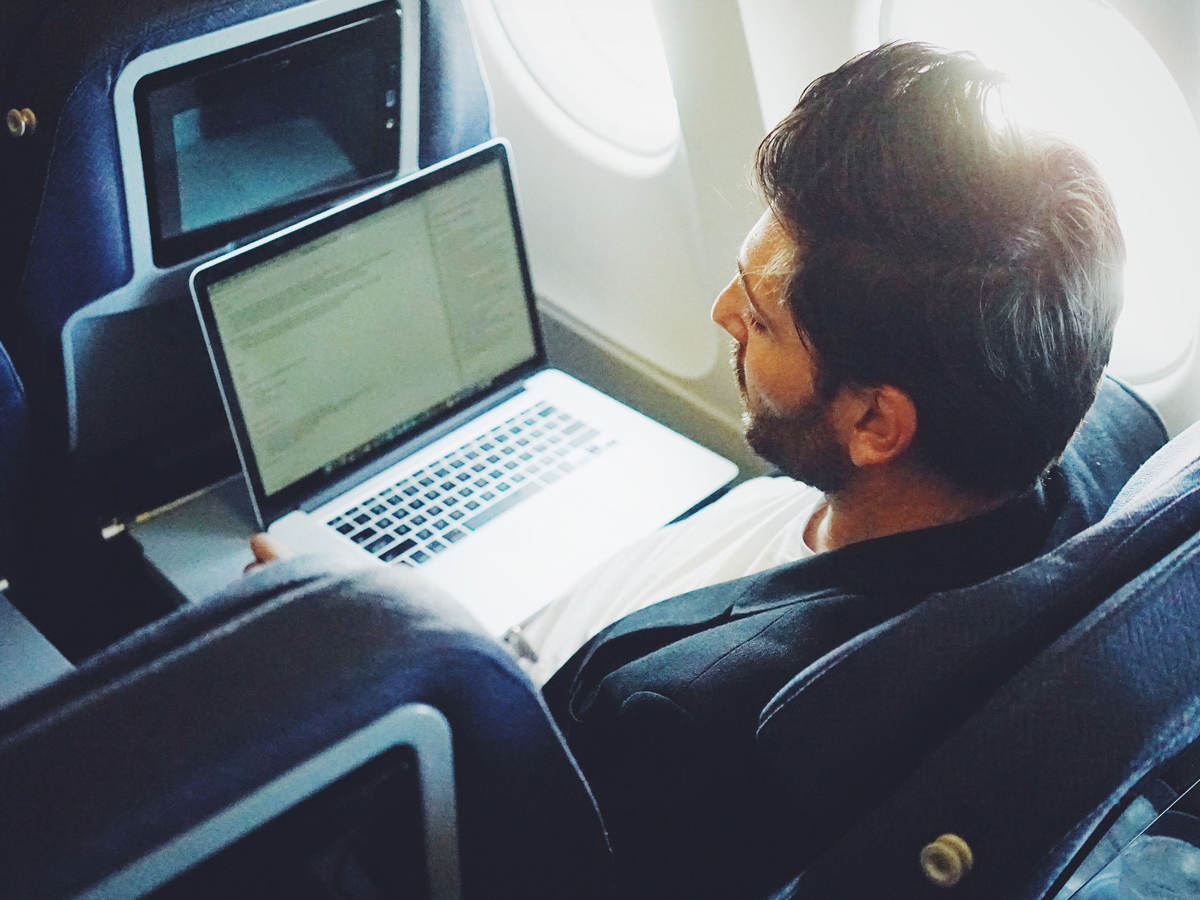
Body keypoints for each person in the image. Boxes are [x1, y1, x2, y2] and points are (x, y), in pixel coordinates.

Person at [251, 42, 1130, 899]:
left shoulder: (677, 721)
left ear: (874, 423)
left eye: (763, 319)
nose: (720, 314)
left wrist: (359, 637)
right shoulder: (1097, 448)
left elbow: (475, 852)